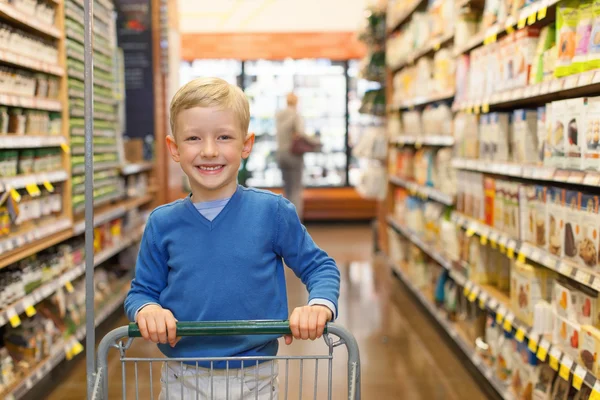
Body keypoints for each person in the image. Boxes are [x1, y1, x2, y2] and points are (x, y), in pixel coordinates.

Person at [124, 77, 340, 400]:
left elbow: (320, 267)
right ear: (174, 149)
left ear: (246, 144)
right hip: (182, 379)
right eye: (194, 138)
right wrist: (147, 310)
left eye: (224, 137)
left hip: (256, 378)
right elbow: (140, 292)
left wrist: (317, 306)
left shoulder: (272, 213)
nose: (209, 151)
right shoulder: (162, 224)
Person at [275, 92, 313, 218]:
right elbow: (300, 133)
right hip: (293, 155)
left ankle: (286, 218)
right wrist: (315, 142)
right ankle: (296, 221)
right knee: (296, 189)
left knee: (287, 189)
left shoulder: (279, 115)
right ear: (296, 102)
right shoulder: (296, 115)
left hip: (281, 154)